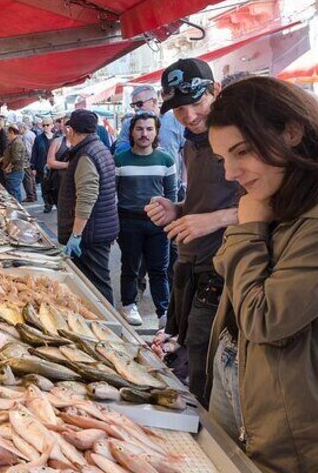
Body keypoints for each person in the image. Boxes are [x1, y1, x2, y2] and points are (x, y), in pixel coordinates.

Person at [206, 76, 318, 473]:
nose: (231, 173)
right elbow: (228, 273)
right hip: (246, 395)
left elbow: (263, 318)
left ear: (292, 132)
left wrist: (248, 229)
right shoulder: (281, 202)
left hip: (296, 438)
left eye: (241, 152)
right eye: (222, 159)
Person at [144, 58, 239, 405]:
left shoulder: (237, 138)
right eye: (179, 109)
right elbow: (203, 199)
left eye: (196, 104)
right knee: (188, 347)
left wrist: (214, 220)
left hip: (223, 266)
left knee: (204, 354)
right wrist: (179, 209)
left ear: (215, 91)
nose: (189, 116)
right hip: (191, 262)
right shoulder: (191, 143)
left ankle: (211, 438)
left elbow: (273, 204)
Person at [115, 112, 176, 327]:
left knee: (159, 269)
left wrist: (169, 223)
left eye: (149, 129)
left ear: (156, 132)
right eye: (139, 129)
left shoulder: (166, 159)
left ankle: (163, 312)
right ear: (131, 132)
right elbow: (113, 194)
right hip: (128, 222)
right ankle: (129, 304)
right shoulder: (120, 160)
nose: (144, 134)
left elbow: (172, 194)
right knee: (130, 266)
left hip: (158, 224)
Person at [58, 110, 118, 305]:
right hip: (99, 228)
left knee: (97, 285)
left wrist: (76, 235)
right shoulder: (98, 147)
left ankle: (110, 328)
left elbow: (86, 197)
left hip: (91, 233)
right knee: (94, 281)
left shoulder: (86, 154)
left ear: (72, 130)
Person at [43, 118, 68, 213]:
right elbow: (50, 162)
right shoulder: (57, 141)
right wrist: (68, 165)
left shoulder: (81, 143)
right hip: (58, 183)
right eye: (65, 124)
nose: (66, 127)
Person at [0, 125, 29, 201]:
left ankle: (17, 209)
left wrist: (8, 167)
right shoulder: (13, 142)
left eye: (8, 133)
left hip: (15, 171)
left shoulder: (17, 143)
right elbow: (10, 155)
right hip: (13, 171)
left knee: (14, 192)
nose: (7, 136)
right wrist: (2, 159)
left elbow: (16, 159)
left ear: (12, 133)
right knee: (12, 191)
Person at [31, 121, 50, 208]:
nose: (45, 127)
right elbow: (34, 152)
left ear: (52, 125)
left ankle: (54, 202)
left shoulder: (57, 137)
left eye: (47, 125)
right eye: (44, 125)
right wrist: (33, 167)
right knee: (44, 187)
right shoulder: (38, 138)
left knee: (55, 186)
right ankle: (47, 204)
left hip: (54, 167)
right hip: (41, 166)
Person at [19, 122, 37, 202]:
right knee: (31, 179)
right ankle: (33, 195)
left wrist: (30, 161)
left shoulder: (26, 136)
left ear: (23, 128)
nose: (19, 130)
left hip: (27, 162)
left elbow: (28, 150)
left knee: (27, 179)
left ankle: (30, 196)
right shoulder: (31, 134)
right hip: (31, 161)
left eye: (19, 128)